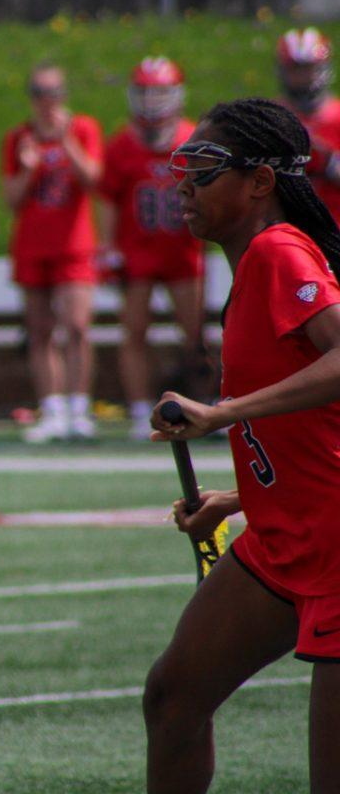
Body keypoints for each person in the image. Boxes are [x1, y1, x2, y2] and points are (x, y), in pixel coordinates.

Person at [145, 97, 340, 793]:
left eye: (204, 170)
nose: (184, 186)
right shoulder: (255, 265)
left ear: (260, 182)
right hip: (289, 543)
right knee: (173, 698)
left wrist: (220, 413)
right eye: (184, 170)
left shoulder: (279, 250)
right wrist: (236, 499)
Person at [99, 57, 205, 441]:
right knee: (134, 332)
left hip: (182, 251)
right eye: (144, 91)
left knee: (194, 335)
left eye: (159, 91)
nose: (151, 100)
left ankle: (200, 405)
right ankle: (140, 408)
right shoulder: (122, 144)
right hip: (137, 251)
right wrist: (107, 247)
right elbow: (108, 200)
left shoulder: (192, 139)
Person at [2, 62, 103, 442]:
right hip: (32, 244)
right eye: (41, 94)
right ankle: (53, 406)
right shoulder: (19, 138)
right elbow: (11, 198)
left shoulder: (82, 129)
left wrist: (68, 144)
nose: (48, 102)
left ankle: (80, 406)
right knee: (40, 329)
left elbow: (94, 180)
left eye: (55, 93)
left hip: (73, 244)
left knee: (77, 325)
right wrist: (28, 169)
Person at [277, 27, 340, 225]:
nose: (303, 76)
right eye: (296, 69)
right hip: (289, 230)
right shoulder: (272, 117)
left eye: (308, 68)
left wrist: (329, 163)